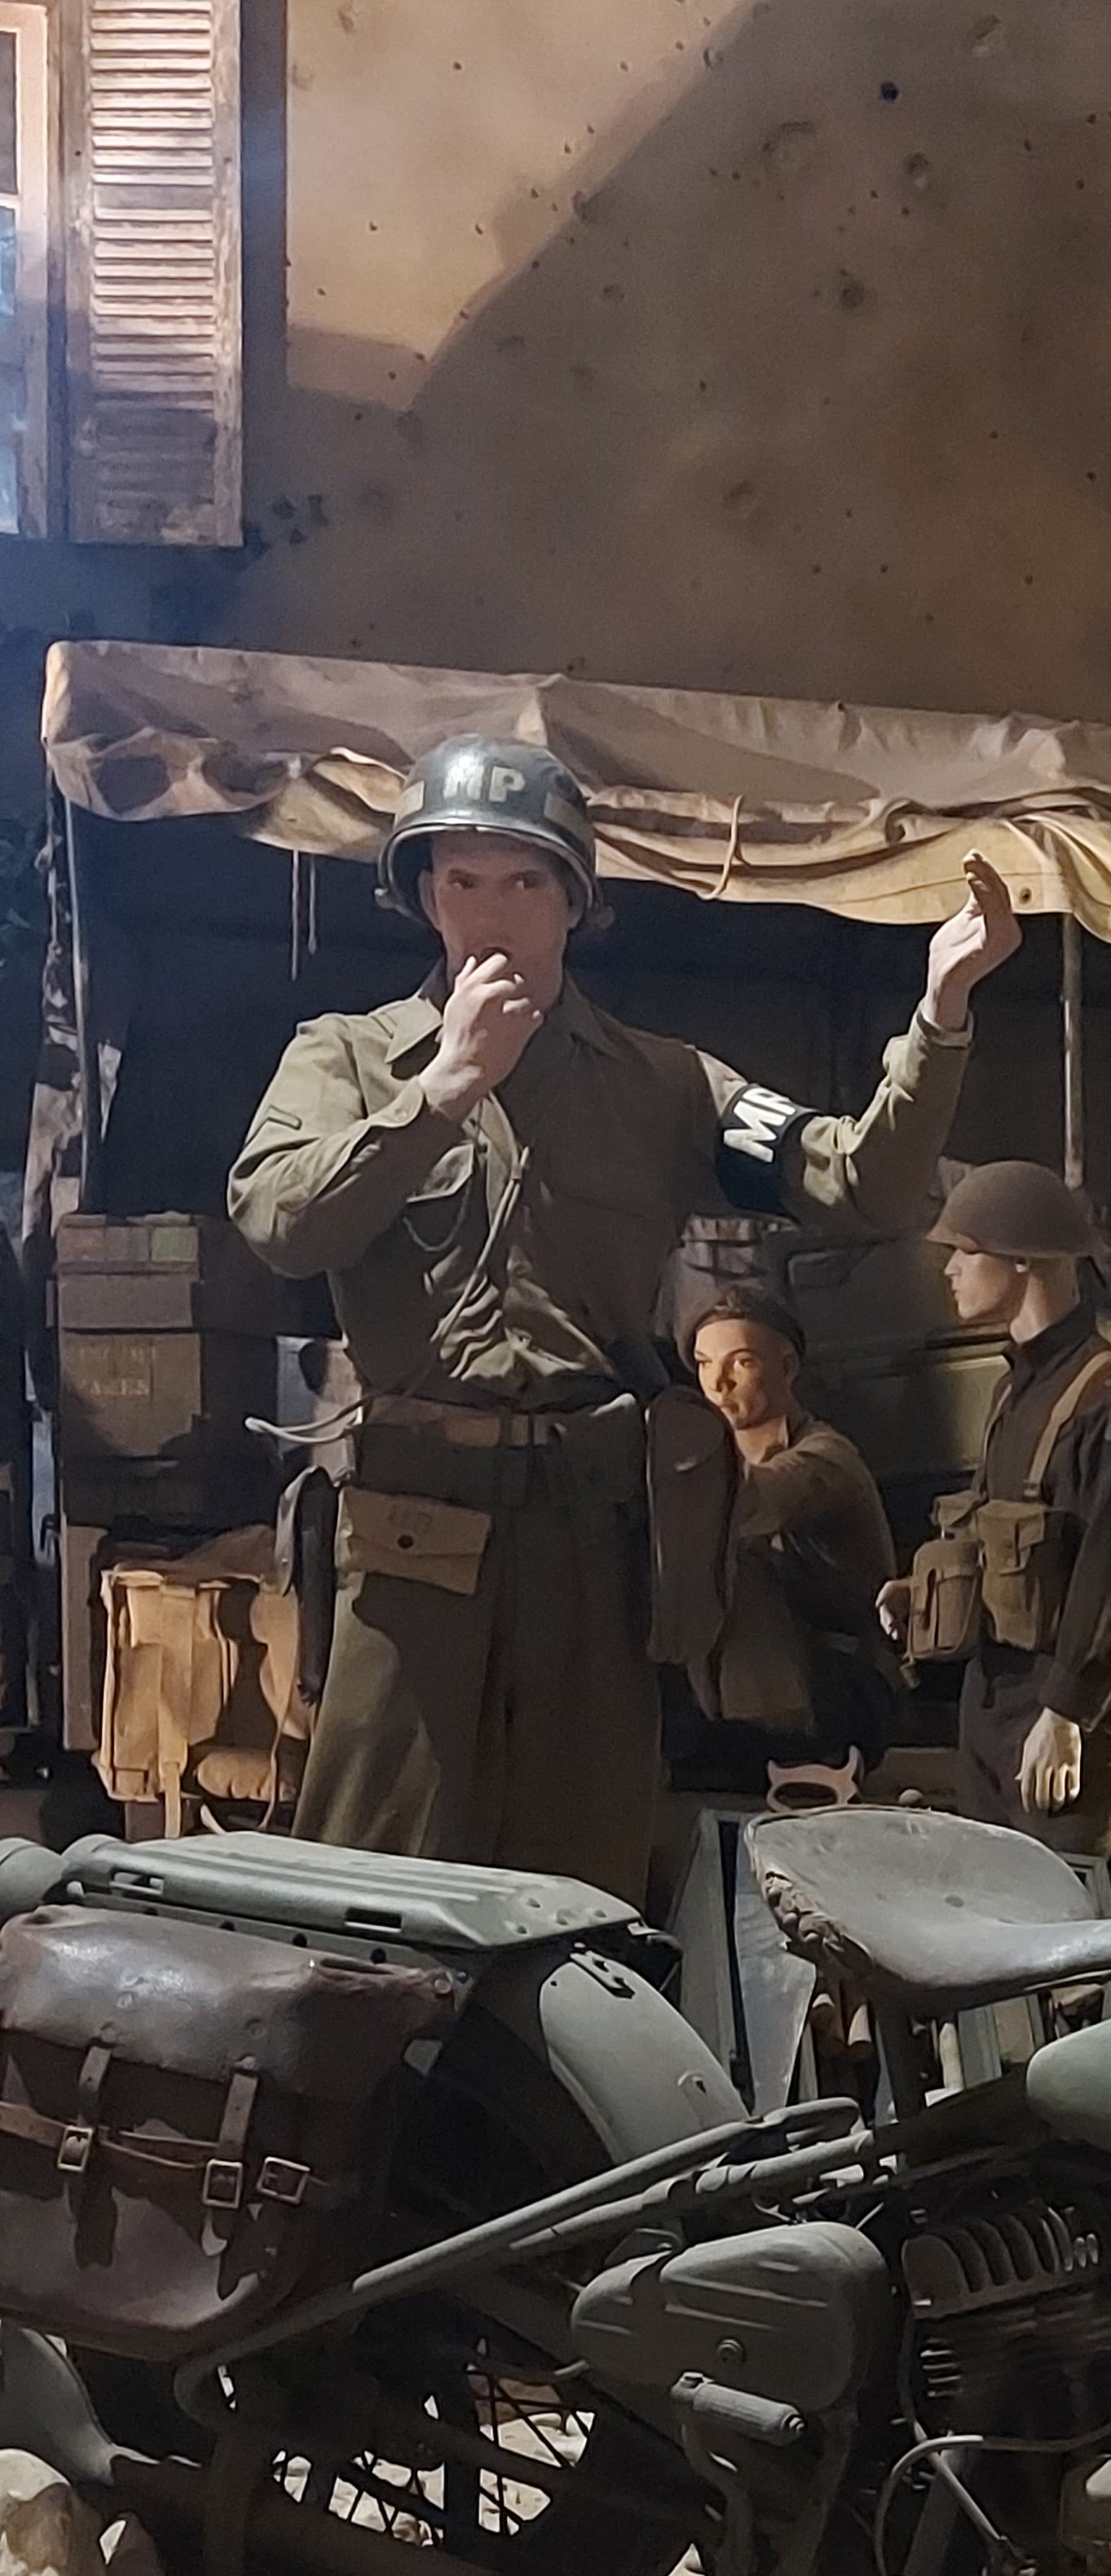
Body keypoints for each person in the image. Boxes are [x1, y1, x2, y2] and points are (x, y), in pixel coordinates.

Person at [227, 734, 1020, 1899]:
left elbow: (863, 1183)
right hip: (413, 1537)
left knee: (578, 1885)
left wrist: (940, 1013)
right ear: (425, 895)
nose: (491, 913)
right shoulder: (346, 1059)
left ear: (574, 901)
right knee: (377, 1884)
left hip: (591, 1546)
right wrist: (440, 1093)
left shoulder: (662, 1085)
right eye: (462, 879)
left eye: (525, 880)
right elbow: (277, 1220)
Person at [897, 1159, 1111, 1852]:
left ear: (1021, 1261)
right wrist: (922, 1593)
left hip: (1054, 1715)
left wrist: (1067, 1712)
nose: (951, 1270)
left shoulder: (1109, 1401)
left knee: (1062, 1905)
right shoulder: (1013, 1390)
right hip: (989, 1698)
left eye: (966, 1251)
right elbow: (992, 1526)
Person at [678, 1293, 899, 1794]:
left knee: (737, 1559)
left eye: (741, 1362)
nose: (718, 1383)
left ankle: (760, 1748)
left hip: (837, 1694)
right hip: (754, 1696)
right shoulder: (727, 1457)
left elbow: (760, 1501)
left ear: (787, 1368)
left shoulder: (826, 1457)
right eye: (705, 1364)